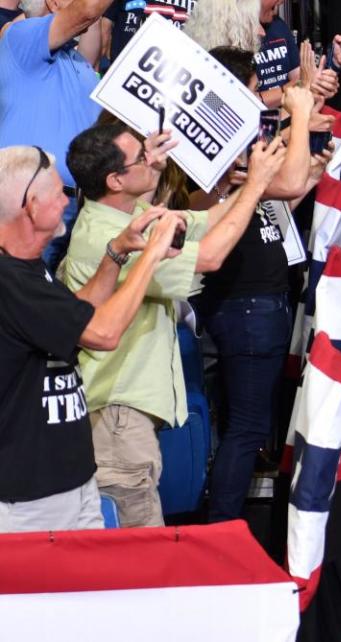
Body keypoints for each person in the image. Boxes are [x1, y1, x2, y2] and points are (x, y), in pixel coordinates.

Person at [59, 122, 286, 527]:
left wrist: (248, 186)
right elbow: (210, 257)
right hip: (115, 417)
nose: (153, 157)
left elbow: (204, 223)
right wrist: (254, 187)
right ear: (115, 179)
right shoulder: (106, 235)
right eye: (142, 157)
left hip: (126, 416)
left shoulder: (132, 214)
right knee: (136, 556)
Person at [0, 144, 184, 533]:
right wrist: (151, 254)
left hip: (74, 478)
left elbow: (76, 316)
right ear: (32, 206)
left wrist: (116, 253)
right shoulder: (8, 281)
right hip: (29, 496)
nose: (69, 201)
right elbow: (102, 333)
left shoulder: (29, 271)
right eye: (60, 193)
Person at [189, 46, 332, 523]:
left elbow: (276, 205)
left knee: (244, 425)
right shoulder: (217, 153)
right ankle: (223, 531)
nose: (257, 101)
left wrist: (310, 168)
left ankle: (222, 527)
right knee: (246, 429)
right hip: (245, 305)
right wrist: (300, 112)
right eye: (250, 91)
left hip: (255, 302)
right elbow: (282, 185)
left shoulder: (238, 149)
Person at [0, 0, 115, 270]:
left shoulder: (78, 61)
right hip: (28, 204)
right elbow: (86, 11)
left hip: (79, 206)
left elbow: (89, 18)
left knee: (52, 307)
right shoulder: (21, 38)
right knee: (19, 303)